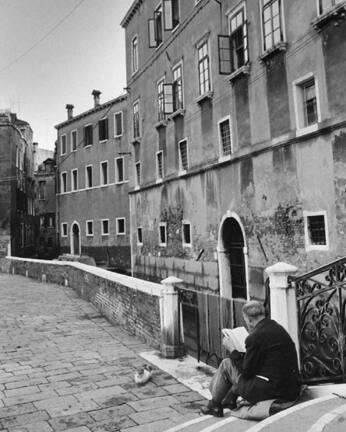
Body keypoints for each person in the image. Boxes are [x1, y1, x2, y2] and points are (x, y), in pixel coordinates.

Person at [201, 300, 301, 417]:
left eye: (246, 320)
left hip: (274, 390)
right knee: (235, 366)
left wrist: (232, 350)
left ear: (249, 320)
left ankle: (215, 404)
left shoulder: (255, 337)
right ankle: (228, 399)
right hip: (290, 387)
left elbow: (246, 372)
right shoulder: (278, 328)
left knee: (226, 364)